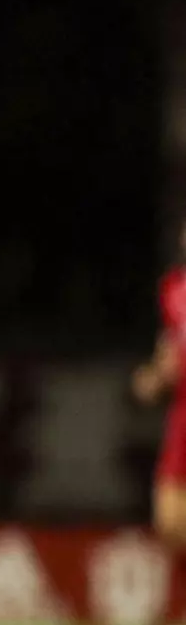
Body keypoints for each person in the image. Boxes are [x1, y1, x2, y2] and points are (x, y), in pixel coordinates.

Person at [131, 221, 186, 549]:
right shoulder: (174, 290)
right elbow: (168, 352)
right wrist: (154, 378)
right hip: (182, 415)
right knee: (169, 519)